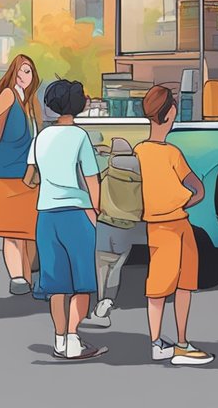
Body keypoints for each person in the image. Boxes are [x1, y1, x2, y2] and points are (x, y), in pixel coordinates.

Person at [25, 79, 104, 360]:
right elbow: (92, 180)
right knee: (82, 282)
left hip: (46, 216)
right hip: (76, 214)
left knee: (56, 285)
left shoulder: (40, 138)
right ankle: (73, 338)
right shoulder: (80, 136)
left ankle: (59, 340)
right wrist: (96, 212)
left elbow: (29, 178)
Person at [136, 85, 213, 366]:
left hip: (156, 227)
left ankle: (158, 340)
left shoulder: (139, 152)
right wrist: (180, 206)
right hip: (179, 225)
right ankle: (180, 342)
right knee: (183, 286)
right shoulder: (172, 153)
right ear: (170, 114)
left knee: (157, 287)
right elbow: (199, 190)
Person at [82, 138, 144, 330]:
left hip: (105, 222)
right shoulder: (139, 174)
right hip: (128, 225)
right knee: (117, 265)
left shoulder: (108, 171)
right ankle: (108, 300)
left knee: (102, 266)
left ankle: (101, 303)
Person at [0, 54, 41, 296]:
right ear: (12, 73)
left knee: (29, 229)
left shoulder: (31, 102)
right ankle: (17, 277)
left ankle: (29, 276)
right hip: (6, 172)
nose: (24, 76)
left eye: (28, 71)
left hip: (28, 173)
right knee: (11, 230)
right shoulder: (8, 95)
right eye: (20, 71)